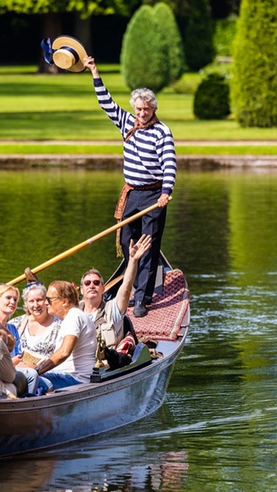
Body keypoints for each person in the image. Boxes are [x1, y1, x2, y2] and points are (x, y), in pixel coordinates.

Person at [83, 55, 177, 318]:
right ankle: (134, 283)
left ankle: (142, 298)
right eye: (138, 109)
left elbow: (169, 163)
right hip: (132, 194)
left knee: (147, 246)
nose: (142, 113)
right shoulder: (126, 122)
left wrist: (166, 192)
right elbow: (105, 102)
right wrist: (94, 71)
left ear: (153, 109)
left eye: (146, 109)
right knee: (127, 242)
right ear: (134, 108)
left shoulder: (163, 132)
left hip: (155, 196)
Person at [81, 234, 152, 350]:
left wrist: (133, 260)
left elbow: (126, 288)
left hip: (106, 364)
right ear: (82, 290)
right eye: (87, 283)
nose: (92, 285)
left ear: (103, 289)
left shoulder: (112, 309)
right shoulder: (73, 311)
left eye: (96, 283)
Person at [35, 281, 98, 391]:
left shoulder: (73, 316)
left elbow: (64, 352)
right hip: (71, 376)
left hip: (74, 379)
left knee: (27, 379)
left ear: (64, 301)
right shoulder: (73, 315)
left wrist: (37, 371)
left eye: (49, 299)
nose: (45, 303)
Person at [9, 282, 62, 360]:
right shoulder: (16, 324)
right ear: (26, 303)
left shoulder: (59, 326)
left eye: (39, 300)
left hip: (46, 370)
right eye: (31, 301)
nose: (36, 305)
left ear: (46, 301)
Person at [0, 282, 20, 349]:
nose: (13, 302)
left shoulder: (13, 329)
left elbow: (18, 353)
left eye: (15, 299)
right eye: (8, 298)